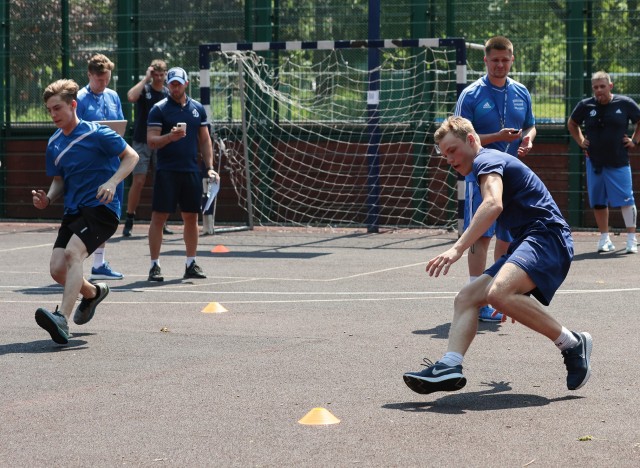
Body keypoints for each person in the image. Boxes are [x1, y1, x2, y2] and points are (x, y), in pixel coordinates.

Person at [403, 116, 591, 395]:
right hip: (528, 240)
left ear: (470, 140)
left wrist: (457, 249)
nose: (449, 159)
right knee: (467, 298)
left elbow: (493, 205)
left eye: (452, 150)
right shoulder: (486, 169)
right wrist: (513, 292)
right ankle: (450, 365)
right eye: (444, 155)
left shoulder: (486, 160)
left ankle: (572, 343)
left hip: (547, 236)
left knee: (497, 293)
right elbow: (503, 233)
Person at [32, 79, 138, 344]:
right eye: (49, 110)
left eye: (57, 108)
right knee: (58, 270)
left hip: (102, 209)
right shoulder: (54, 143)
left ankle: (62, 319)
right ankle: (92, 294)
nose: (53, 115)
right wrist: (48, 199)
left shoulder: (97, 134)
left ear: (73, 105)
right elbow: (59, 180)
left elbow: (132, 157)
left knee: (72, 253)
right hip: (73, 211)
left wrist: (113, 182)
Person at [454, 36, 537, 322]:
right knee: (481, 235)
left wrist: (528, 139)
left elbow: (530, 124)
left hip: (513, 176)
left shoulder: (521, 91)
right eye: (495, 60)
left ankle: (497, 294)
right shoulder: (471, 94)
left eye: (505, 60)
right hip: (483, 175)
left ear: (512, 60)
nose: (500, 65)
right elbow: (461, 137)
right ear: (485, 61)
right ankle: (476, 298)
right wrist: (497, 137)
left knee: (507, 237)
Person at [146, 67, 219, 281]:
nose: (175, 87)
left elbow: (204, 140)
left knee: (191, 216)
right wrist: (171, 137)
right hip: (166, 171)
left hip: (190, 170)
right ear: (168, 85)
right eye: (172, 84)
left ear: (187, 83)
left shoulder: (197, 109)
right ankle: (154, 265)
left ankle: (191, 262)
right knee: (159, 217)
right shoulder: (158, 110)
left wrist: (210, 167)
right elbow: (151, 141)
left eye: (179, 83)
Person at [568, 70, 640, 254]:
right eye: (595, 87)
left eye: (602, 86)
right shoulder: (586, 105)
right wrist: (580, 141)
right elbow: (572, 123)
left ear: (610, 86)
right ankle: (604, 238)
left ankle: (632, 239)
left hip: (619, 161)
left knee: (626, 199)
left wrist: (634, 141)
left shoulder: (624, 104)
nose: (599, 90)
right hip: (595, 162)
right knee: (598, 201)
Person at [76, 53, 126, 280]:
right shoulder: (79, 98)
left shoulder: (113, 96)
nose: (103, 84)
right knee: (86, 211)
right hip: (89, 164)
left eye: (107, 79)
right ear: (89, 75)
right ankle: (75, 261)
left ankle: (99, 263)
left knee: (108, 212)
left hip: (112, 162)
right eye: (99, 80)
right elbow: (73, 131)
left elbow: (121, 126)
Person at [123, 59, 174, 237]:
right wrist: (145, 79)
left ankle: (163, 221)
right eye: (156, 75)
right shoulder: (145, 90)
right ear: (151, 74)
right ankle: (129, 218)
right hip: (142, 141)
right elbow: (130, 96)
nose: (159, 78)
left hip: (162, 142)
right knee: (139, 180)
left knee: (162, 181)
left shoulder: (168, 93)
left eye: (162, 74)